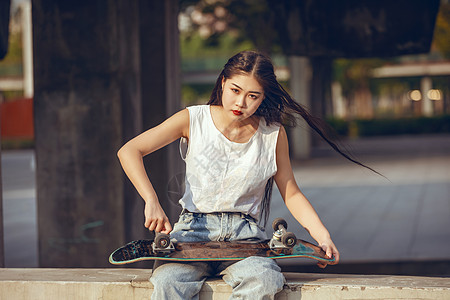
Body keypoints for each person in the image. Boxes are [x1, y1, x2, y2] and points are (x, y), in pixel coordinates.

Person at [117, 50, 371, 299]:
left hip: (247, 239)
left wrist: (322, 236)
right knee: (167, 282)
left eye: (253, 96)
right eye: (235, 91)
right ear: (223, 83)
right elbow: (129, 151)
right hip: (191, 234)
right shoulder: (193, 119)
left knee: (265, 280)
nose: (241, 103)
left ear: (263, 97)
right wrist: (151, 200)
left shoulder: (273, 133)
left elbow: (291, 192)